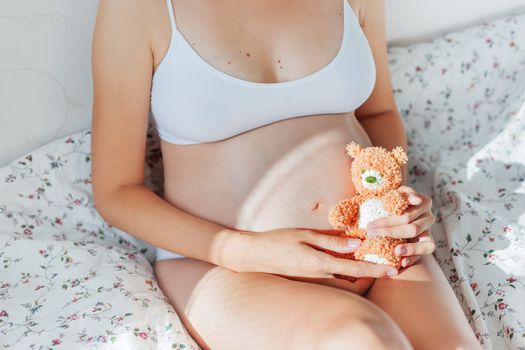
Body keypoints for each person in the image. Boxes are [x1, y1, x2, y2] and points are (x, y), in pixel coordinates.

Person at [90, 0, 481, 348]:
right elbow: (117, 192)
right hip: (225, 267)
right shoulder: (139, 8)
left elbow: (378, 114)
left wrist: (389, 196)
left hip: (371, 244)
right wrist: (244, 250)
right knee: (364, 339)